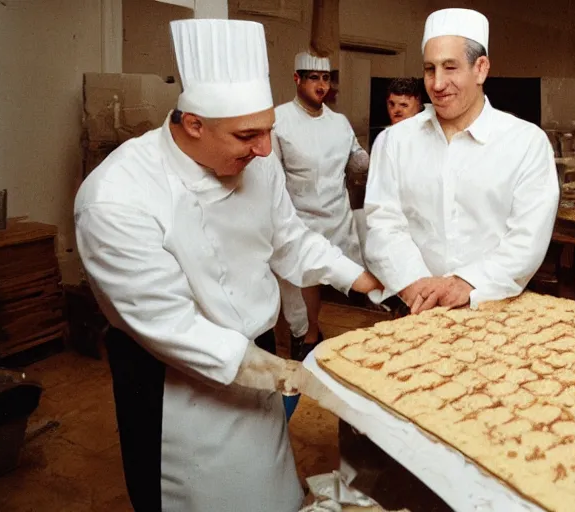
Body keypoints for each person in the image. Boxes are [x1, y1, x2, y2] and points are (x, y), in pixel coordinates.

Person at [73, 19, 381, 512]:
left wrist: (367, 282)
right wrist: (300, 377)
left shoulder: (257, 160)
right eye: (247, 135)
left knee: (268, 488)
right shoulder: (116, 199)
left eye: (268, 132)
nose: (264, 149)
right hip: (175, 382)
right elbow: (171, 327)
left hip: (257, 357)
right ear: (193, 123)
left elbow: (291, 241)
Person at [363, 8, 560, 314]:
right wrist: (418, 287)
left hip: (494, 305)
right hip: (415, 307)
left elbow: (526, 239)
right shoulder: (395, 141)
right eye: (430, 69)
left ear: (481, 68)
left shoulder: (525, 143)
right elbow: (383, 224)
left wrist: (466, 284)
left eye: (450, 67)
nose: (438, 83)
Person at [273, 51, 369, 359]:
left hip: (337, 216)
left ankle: (352, 348)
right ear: (297, 79)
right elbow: (271, 177)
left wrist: (384, 156)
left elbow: (356, 162)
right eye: (314, 78)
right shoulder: (280, 120)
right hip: (298, 218)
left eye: (326, 78)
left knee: (352, 281)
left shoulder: (339, 122)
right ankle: (308, 335)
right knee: (302, 283)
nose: (321, 85)